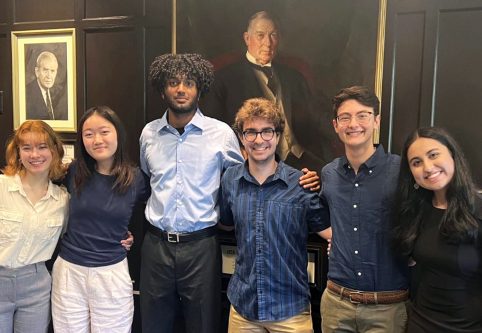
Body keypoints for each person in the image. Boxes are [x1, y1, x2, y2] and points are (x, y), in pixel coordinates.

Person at [139, 53, 319, 333]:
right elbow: (148, 179)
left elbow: (244, 176)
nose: (181, 88)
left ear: (200, 89)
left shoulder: (221, 134)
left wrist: (304, 180)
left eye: (189, 82)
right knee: (153, 323)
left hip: (201, 247)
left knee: (203, 324)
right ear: (163, 89)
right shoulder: (148, 134)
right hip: (155, 245)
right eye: (173, 82)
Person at [220, 98, 332, 333]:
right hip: (243, 309)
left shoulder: (302, 183)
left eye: (267, 132)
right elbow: (226, 226)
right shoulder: (230, 180)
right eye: (251, 132)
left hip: (290, 309)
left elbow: (329, 233)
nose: (259, 140)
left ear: (278, 136)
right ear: (241, 137)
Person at [51, 106, 150, 332]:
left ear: (118, 134)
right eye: (88, 134)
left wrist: (128, 235)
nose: (97, 140)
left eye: (104, 131)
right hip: (69, 271)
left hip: (111, 273)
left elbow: (155, 211)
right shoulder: (73, 171)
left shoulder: (135, 179)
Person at [319, 86, 409, 332]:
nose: (353, 124)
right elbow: (316, 213)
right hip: (337, 303)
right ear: (336, 125)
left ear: (376, 120)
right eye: (345, 117)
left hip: (387, 308)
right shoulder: (329, 173)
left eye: (363, 115)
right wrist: (333, 239)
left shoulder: (401, 171)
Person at [199, 11, 325, 172]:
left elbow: (313, 124)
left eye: (273, 35)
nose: (268, 43)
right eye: (260, 35)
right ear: (247, 38)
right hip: (252, 165)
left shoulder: (294, 77)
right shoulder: (223, 79)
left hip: (300, 163)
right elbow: (213, 132)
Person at [392, 126, 482, 332]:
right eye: (416, 162)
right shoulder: (416, 211)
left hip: (469, 327)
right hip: (421, 323)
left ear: (453, 155)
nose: (428, 167)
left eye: (433, 155)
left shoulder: (478, 210)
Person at [0, 120, 69, 332]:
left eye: (42, 147)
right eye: (26, 148)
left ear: (55, 151)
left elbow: (74, 237)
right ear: (18, 153)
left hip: (36, 284)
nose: (34, 155)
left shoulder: (62, 199)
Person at [26, 51, 68, 120]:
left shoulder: (56, 93)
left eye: (52, 71)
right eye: (45, 70)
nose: (49, 76)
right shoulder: (26, 94)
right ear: (37, 72)